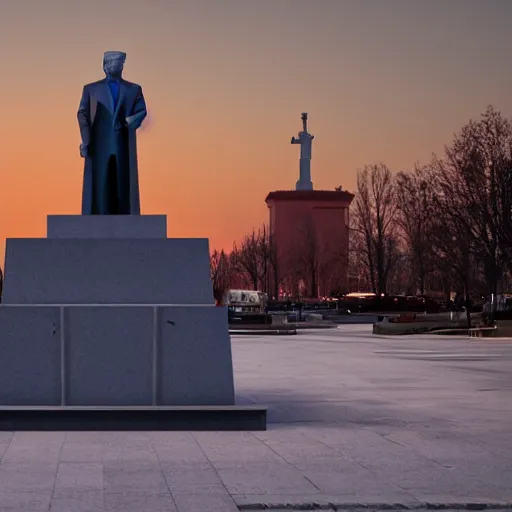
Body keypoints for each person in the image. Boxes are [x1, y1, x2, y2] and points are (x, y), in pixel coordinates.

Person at [77, 51, 147, 214]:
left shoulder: (133, 89)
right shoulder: (91, 89)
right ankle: (99, 215)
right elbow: (82, 113)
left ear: (122, 65)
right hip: (99, 142)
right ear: (104, 65)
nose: (112, 65)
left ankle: (123, 215)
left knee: (122, 181)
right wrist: (86, 141)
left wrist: (130, 122)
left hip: (122, 141)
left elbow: (142, 110)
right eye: (109, 62)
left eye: (116, 62)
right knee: (100, 181)